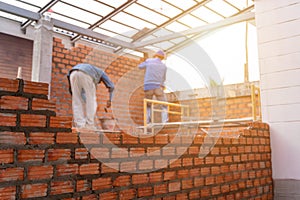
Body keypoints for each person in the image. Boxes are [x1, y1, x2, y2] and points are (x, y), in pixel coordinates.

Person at [67, 63, 114, 129]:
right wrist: (110, 100)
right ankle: (89, 124)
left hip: (72, 73)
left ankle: (79, 124)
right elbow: (111, 86)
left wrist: (83, 100)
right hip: (86, 74)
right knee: (92, 100)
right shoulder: (101, 73)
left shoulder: (93, 70)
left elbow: (77, 92)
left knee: (76, 100)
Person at [139, 50, 168, 124]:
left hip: (148, 86)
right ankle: (164, 121)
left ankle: (147, 121)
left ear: (155, 55)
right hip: (158, 86)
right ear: (162, 58)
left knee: (148, 104)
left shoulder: (149, 61)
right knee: (164, 105)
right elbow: (163, 78)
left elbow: (140, 66)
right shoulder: (164, 66)